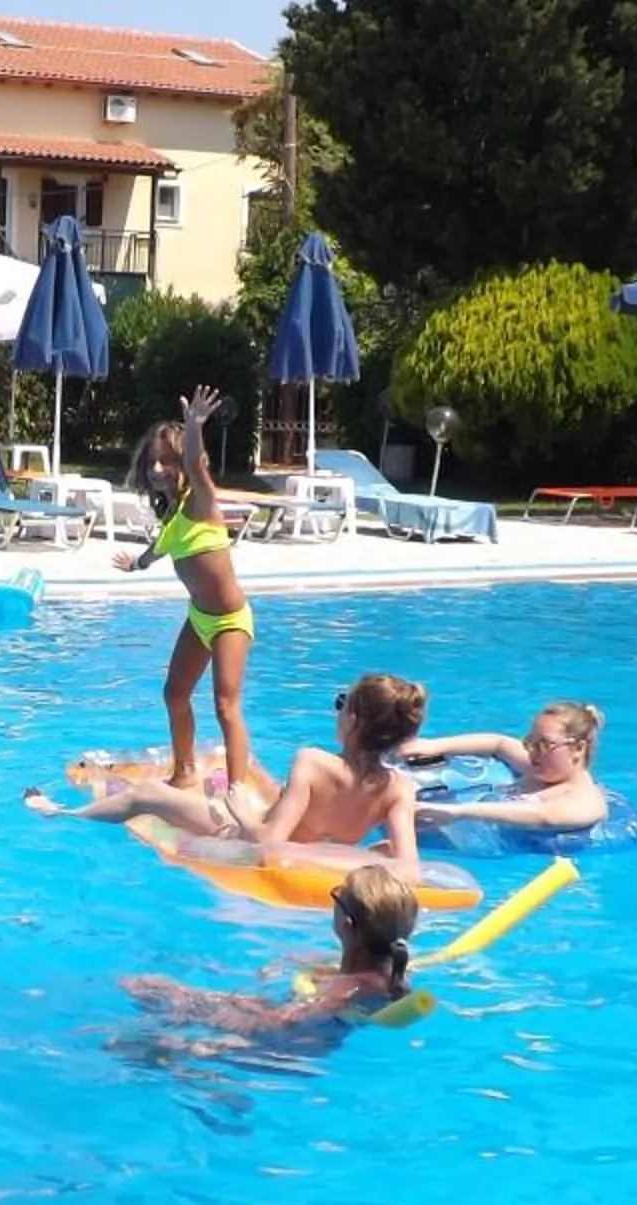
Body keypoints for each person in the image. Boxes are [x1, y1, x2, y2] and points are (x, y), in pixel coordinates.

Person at [26, 671, 428, 877]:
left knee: (147, 794)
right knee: (240, 789)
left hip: (245, 842)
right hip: (305, 841)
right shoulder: (400, 789)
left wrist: (240, 815)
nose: (337, 711)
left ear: (353, 720)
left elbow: (270, 843)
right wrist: (353, 857)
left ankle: (59, 813)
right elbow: (408, 868)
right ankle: (218, 797)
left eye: (341, 704)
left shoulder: (314, 762)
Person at [114, 387, 264, 791]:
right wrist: (137, 564)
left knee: (225, 707)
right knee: (174, 694)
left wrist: (195, 425)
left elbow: (197, 468)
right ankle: (183, 770)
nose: (158, 469)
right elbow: (159, 548)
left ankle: (234, 792)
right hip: (199, 619)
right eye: (153, 462)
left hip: (230, 620)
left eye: (168, 460)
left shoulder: (201, 501)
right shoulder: (175, 519)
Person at [118, 865, 423, 1035]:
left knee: (149, 1006)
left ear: (346, 924)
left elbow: (283, 1022)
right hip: (310, 1039)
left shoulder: (346, 989)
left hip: (292, 1049)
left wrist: (201, 1005)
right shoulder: (394, 967)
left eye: (337, 895)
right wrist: (286, 964)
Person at [397, 701, 611, 832]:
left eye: (544, 744)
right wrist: (432, 746)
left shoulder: (586, 800)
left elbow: (545, 816)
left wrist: (458, 812)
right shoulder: (539, 768)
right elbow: (499, 743)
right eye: (530, 741)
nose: (532, 751)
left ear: (579, 749)